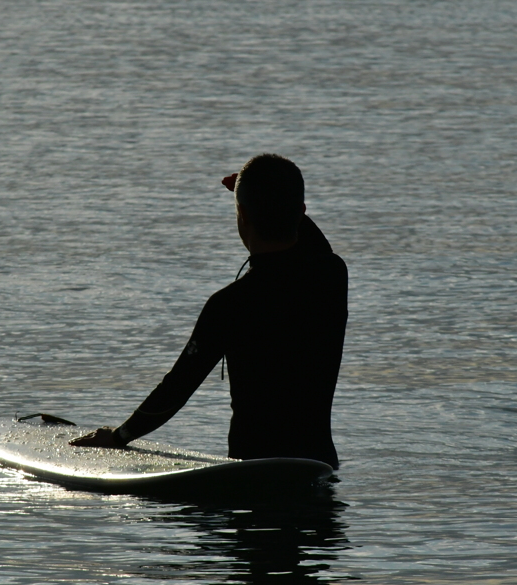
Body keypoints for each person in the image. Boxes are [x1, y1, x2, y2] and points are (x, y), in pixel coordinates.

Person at [70, 154, 347, 468]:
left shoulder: (230, 304)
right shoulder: (332, 277)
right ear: (301, 212)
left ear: (241, 213)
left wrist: (119, 436)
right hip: (318, 466)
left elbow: (177, 388)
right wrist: (269, 200)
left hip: (253, 470)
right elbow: (317, 246)